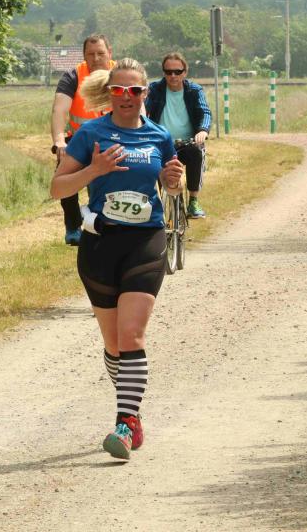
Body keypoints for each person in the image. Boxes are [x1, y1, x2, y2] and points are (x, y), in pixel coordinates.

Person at [50, 58, 184, 461]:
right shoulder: (90, 133)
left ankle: (124, 425)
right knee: (114, 346)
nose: (127, 97)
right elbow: (58, 188)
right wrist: (93, 170)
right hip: (101, 245)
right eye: (119, 90)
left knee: (132, 336)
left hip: (145, 241)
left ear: (145, 93)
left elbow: (170, 185)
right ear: (110, 93)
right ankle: (133, 410)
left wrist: (173, 181)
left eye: (135, 90)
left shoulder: (159, 136)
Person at [50, 34, 115, 245]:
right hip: (80, 141)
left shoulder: (121, 74)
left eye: (100, 53)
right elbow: (59, 109)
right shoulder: (73, 76)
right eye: (90, 54)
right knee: (64, 170)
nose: (96, 59)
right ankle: (72, 226)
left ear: (110, 53)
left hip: (115, 139)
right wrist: (59, 140)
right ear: (84, 56)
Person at [145, 52, 212, 218]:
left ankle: (193, 201)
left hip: (187, 143)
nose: (173, 76)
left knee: (196, 152)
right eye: (168, 72)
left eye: (177, 71)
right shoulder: (154, 89)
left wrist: (203, 130)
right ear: (163, 73)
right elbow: (143, 110)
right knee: (147, 161)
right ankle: (155, 205)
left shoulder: (194, 90)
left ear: (185, 72)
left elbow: (205, 112)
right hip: (160, 144)